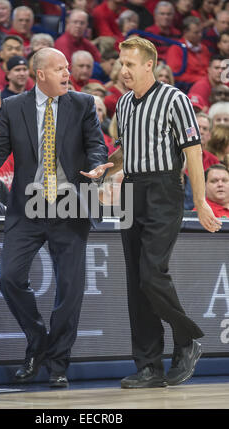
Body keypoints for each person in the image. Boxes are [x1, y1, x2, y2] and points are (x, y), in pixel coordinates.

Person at [0, 47, 111, 388]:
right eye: (60, 68)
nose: (67, 74)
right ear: (41, 74)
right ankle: (38, 341)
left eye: (67, 68)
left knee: (70, 289)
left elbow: (97, 146)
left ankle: (58, 362)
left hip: (70, 206)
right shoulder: (14, 106)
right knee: (9, 278)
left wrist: (95, 168)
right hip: (27, 208)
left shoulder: (83, 104)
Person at [106, 36, 221, 389]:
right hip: (130, 190)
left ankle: (187, 340)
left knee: (152, 274)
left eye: (129, 64)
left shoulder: (176, 99)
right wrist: (106, 170)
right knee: (135, 285)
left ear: (148, 66)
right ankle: (149, 367)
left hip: (164, 190)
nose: (122, 70)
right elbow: (127, 153)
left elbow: (193, 155)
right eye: (120, 63)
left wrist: (200, 202)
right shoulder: (123, 104)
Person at [166, 16, 211, 93]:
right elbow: (176, 74)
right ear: (185, 32)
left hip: (206, 83)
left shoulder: (204, 48)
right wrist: (202, 79)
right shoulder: (176, 48)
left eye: (201, 32)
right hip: (187, 87)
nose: (200, 35)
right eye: (196, 32)